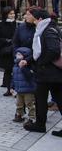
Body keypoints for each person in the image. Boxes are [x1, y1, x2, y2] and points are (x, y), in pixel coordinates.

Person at [23, 8, 62, 136]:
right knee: (45, 99)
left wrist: (41, 63)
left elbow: (53, 50)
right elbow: (39, 53)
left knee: (42, 99)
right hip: (49, 73)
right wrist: (28, 61)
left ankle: (40, 125)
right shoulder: (43, 29)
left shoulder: (47, 30)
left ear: (38, 18)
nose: (26, 16)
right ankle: (40, 124)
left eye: (29, 14)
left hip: (50, 73)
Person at [0, 7, 17, 96]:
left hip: (15, 50)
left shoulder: (16, 25)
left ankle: (14, 88)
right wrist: (6, 41)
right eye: (10, 14)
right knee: (7, 70)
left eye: (13, 13)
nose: (12, 15)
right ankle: (8, 88)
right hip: (5, 51)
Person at [11, 47, 36, 124]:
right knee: (19, 104)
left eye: (19, 54)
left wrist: (23, 68)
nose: (17, 56)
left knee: (30, 104)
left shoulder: (29, 66)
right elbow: (13, 77)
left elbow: (30, 76)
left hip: (28, 90)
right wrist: (12, 87)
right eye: (16, 54)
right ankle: (19, 115)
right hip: (19, 90)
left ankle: (32, 118)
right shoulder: (15, 65)